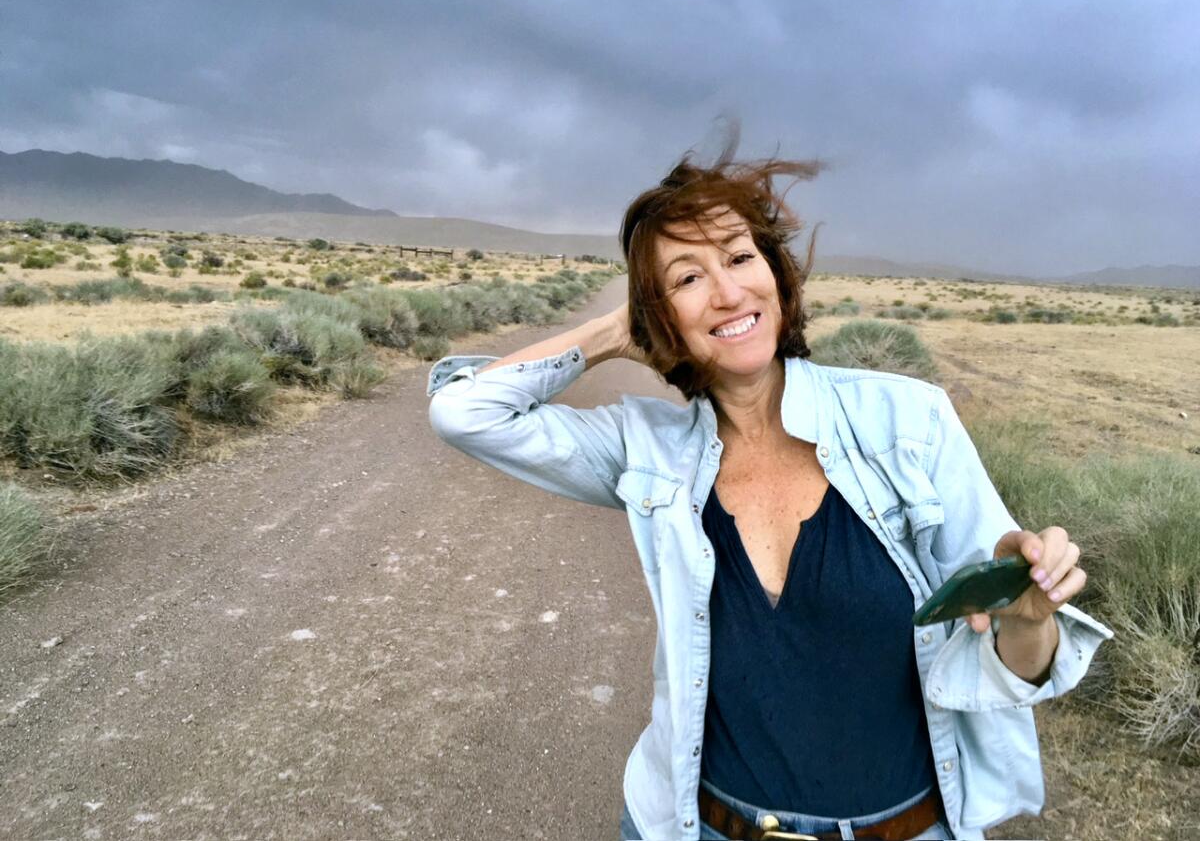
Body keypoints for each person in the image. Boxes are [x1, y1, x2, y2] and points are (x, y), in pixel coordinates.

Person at [426, 143, 1113, 841]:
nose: (727, 292)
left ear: (777, 277)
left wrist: (1028, 618)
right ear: (659, 314)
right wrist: (613, 329)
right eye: (687, 278)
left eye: (739, 257)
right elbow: (464, 412)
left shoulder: (908, 422)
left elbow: (1010, 659)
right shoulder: (650, 448)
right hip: (703, 827)